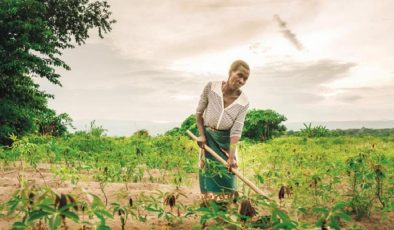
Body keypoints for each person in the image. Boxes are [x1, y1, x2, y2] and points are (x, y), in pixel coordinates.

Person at [195, 60, 250, 206]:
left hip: (226, 142)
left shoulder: (244, 102)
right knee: (208, 172)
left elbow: (236, 130)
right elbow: (199, 113)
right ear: (230, 72)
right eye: (239, 75)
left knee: (228, 175)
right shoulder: (211, 88)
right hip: (208, 138)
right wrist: (201, 135)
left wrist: (231, 157)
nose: (241, 80)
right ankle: (208, 206)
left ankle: (226, 208)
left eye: (245, 79)